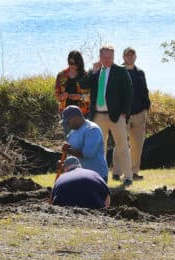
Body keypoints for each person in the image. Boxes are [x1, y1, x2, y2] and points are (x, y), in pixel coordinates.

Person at [79, 44, 134, 187]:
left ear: (114, 57)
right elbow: (83, 85)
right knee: (99, 148)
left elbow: (128, 93)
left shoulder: (120, 71)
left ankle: (128, 177)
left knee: (122, 146)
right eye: (104, 56)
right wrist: (93, 72)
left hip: (116, 116)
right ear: (100, 57)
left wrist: (124, 114)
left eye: (110, 57)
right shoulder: (96, 71)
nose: (107, 59)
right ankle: (101, 177)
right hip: (98, 116)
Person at [112, 47, 150, 181]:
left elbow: (144, 91)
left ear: (136, 57)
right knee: (121, 143)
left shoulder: (140, 72)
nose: (130, 57)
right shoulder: (117, 72)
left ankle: (134, 172)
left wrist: (146, 108)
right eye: (128, 55)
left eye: (133, 55)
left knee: (137, 145)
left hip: (139, 114)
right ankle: (117, 172)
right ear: (123, 57)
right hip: (123, 115)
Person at [60, 105, 108, 181]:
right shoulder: (72, 132)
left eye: (68, 121)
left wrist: (69, 150)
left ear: (76, 118)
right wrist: (65, 164)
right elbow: (72, 156)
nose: (67, 124)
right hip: (80, 177)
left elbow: (88, 154)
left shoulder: (92, 130)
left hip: (96, 177)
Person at [54, 51, 90, 135]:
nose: (73, 65)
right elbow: (56, 95)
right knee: (69, 139)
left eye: (76, 63)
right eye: (71, 63)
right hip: (66, 113)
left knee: (82, 138)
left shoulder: (85, 76)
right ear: (68, 61)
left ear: (80, 63)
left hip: (83, 113)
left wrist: (80, 97)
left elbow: (91, 96)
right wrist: (61, 96)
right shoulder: (61, 75)